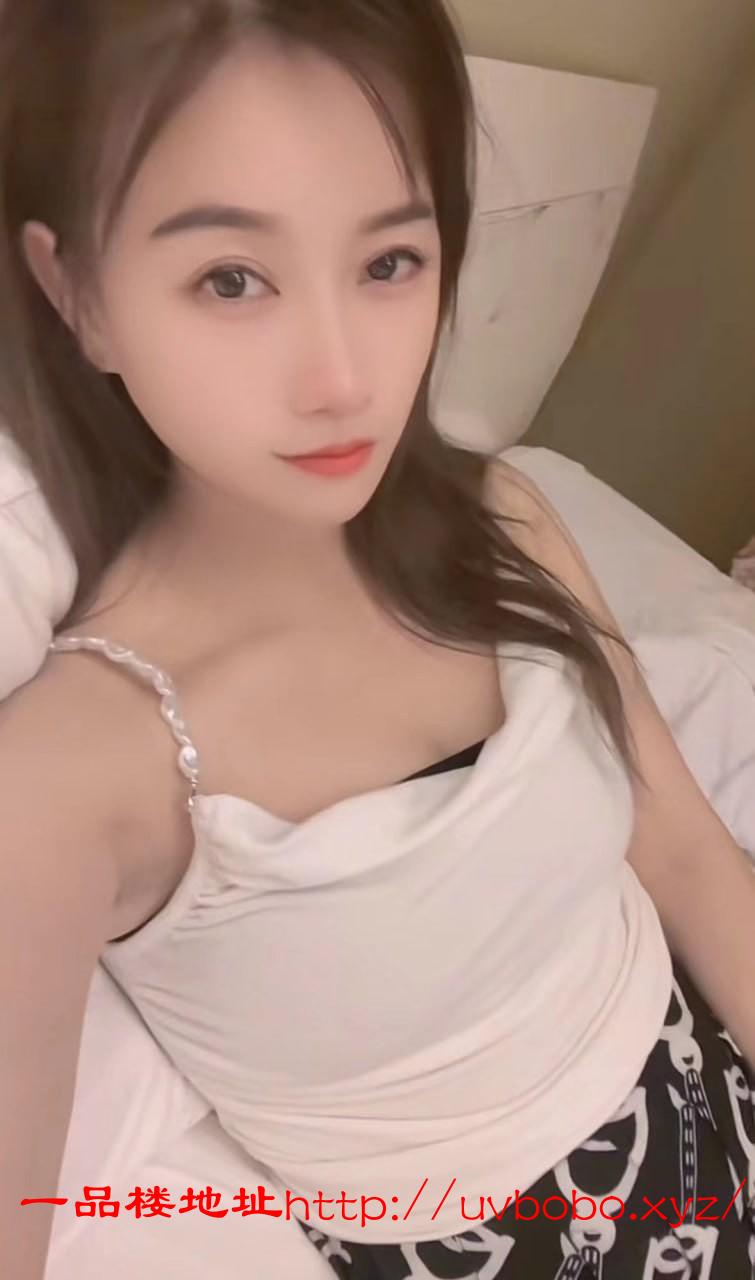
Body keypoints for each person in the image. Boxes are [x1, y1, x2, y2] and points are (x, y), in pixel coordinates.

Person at [0, 2, 753, 1277]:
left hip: (708, 1084)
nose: (343, 377)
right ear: (80, 296)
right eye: (231, 279)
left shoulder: (503, 518)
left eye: (389, 262)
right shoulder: (71, 774)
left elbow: (683, 854)